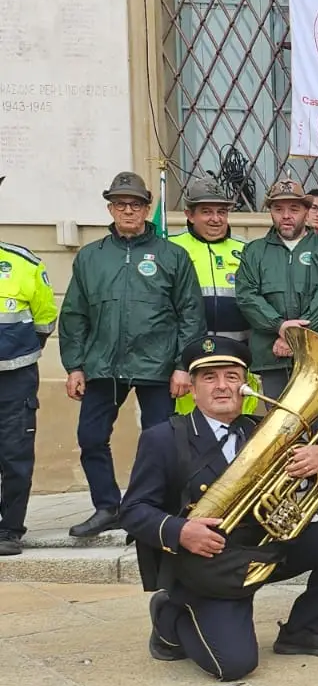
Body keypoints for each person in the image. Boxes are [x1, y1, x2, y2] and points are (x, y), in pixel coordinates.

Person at [123, 336, 318, 680]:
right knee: (234, 666)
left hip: (265, 547)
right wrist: (181, 531)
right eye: (210, 378)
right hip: (209, 563)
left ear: (245, 385)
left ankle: (303, 631)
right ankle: (169, 617)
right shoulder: (163, 438)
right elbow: (133, 510)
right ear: (193, 389)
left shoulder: (266, 430)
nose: (222, 386)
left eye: (232, 376)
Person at [60, 171, 205, 538]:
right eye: (120, 204)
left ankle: (150, 510)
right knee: (91, 438)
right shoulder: (91, 257)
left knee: (161, 443)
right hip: (102, 366)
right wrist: (74, 366)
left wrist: (183, 366)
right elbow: (74, 314)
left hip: (158, 366)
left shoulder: (173, 256)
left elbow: (191, 314)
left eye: (136, 204)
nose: (128, 210)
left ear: (146, 208)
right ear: (110, 208)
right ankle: (107, 507)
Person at [235, 178, 318, 402]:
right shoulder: (254, 251)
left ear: (306, 211)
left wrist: (293, 337)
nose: (286, 216)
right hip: (272, 356)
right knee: (280, 421)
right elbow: (247, 297)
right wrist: (279, 326)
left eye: (294, 209)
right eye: (278, 209)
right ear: (271, 212)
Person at [0, 230, 58, 556]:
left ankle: (9, 529)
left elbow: (45, 320)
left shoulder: (23, 262)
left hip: (15, 376)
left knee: (15, 454)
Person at [170, 176, 249, 345]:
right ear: (190, 215)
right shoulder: (171, 246)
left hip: (238, 349)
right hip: (188, 348)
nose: (216, 219)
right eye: (206, 212)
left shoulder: (246, 248)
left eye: (221, 212)